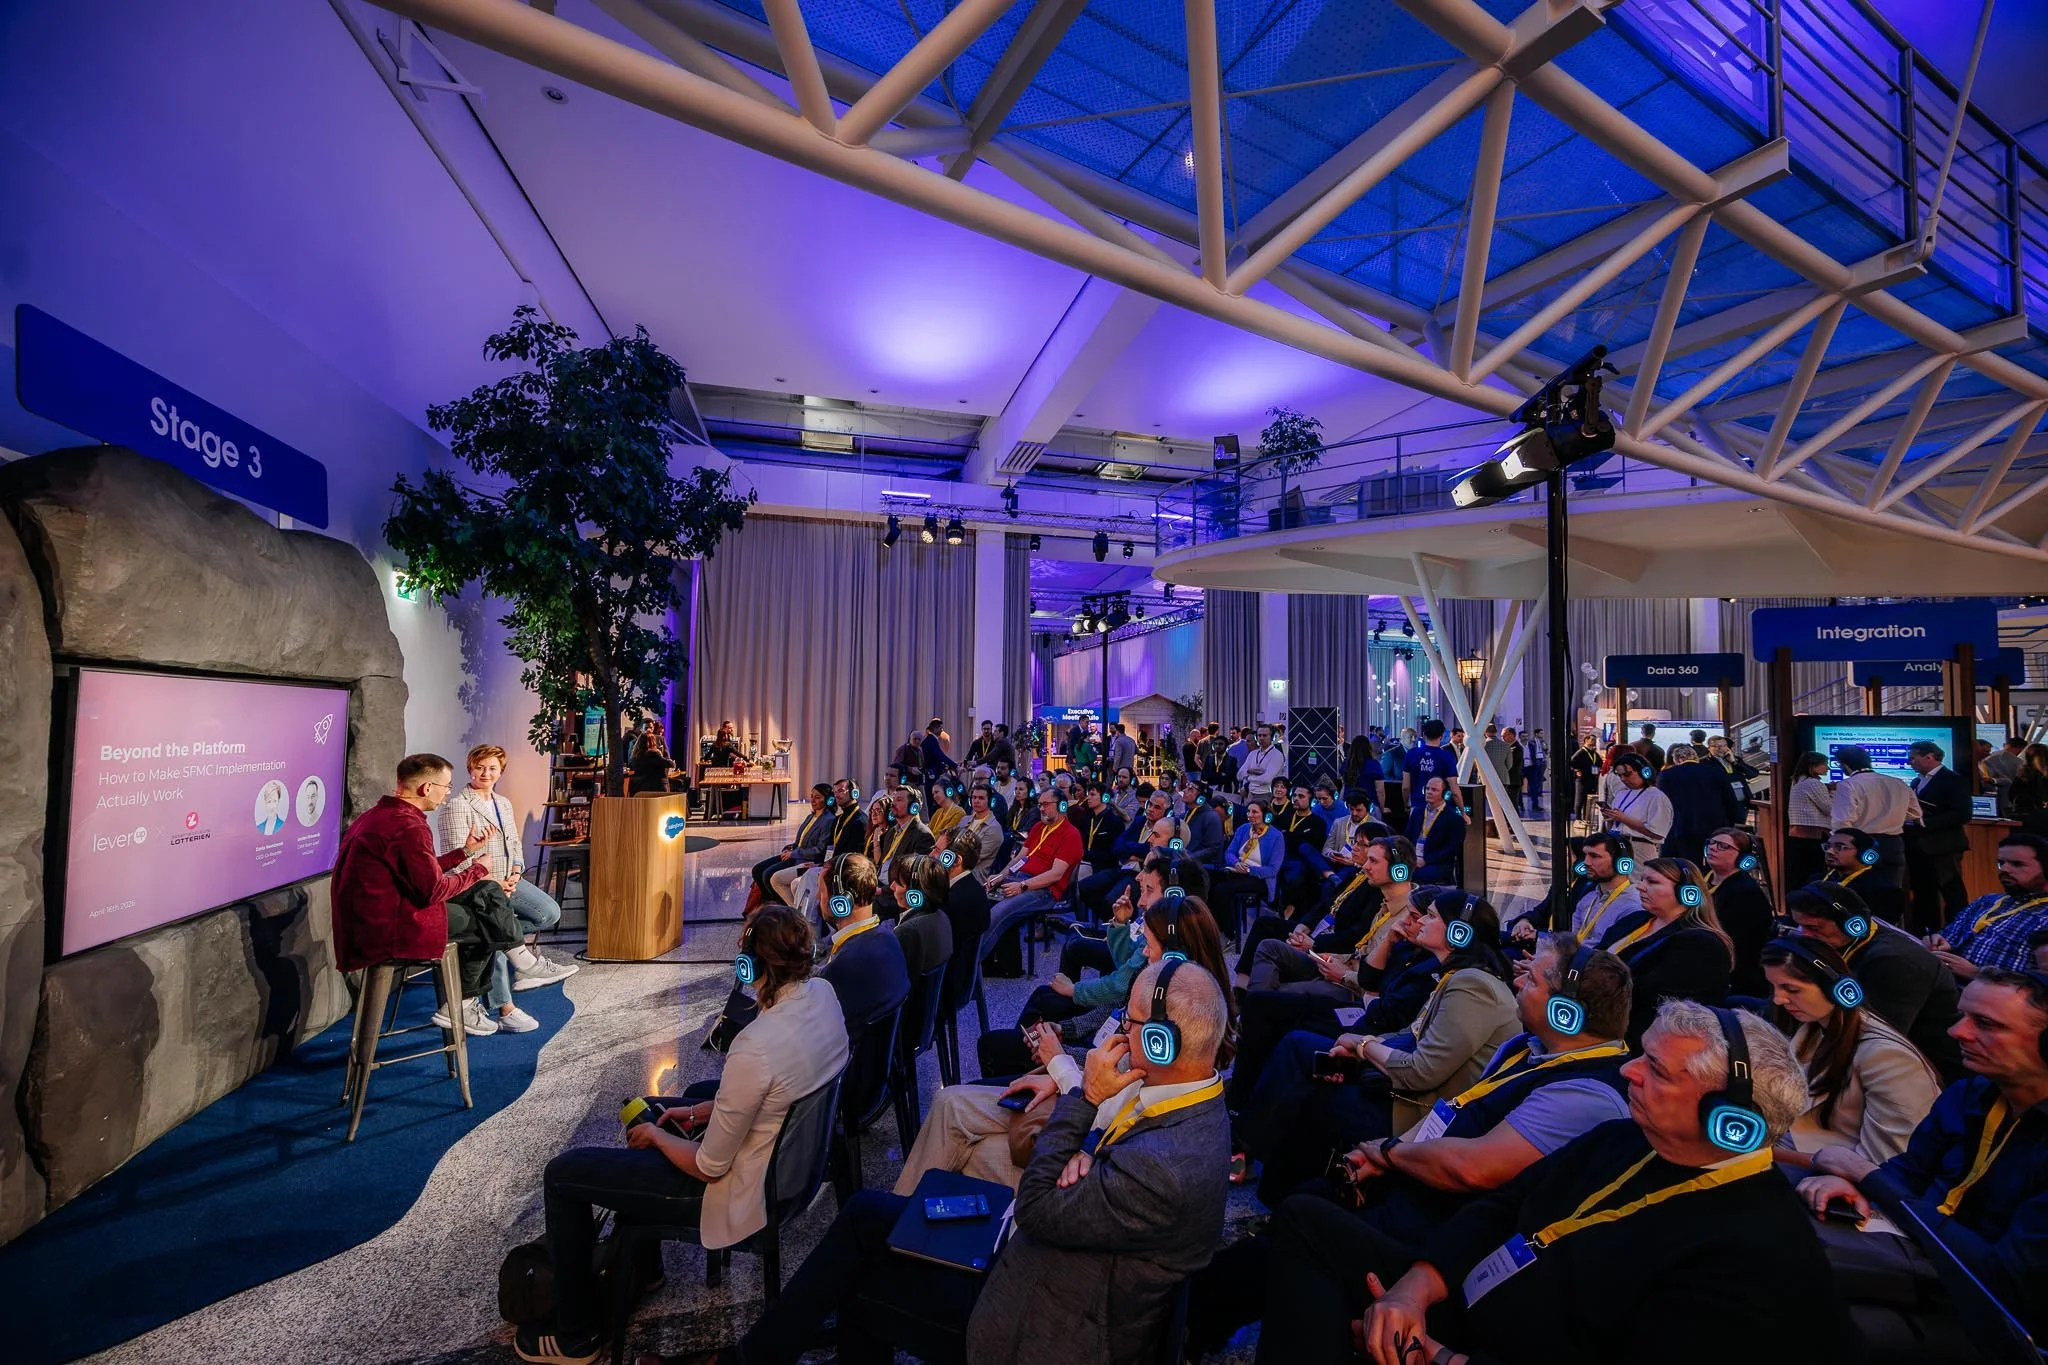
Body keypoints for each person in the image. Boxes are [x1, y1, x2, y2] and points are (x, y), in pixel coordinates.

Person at [659, 960, 1234, 1365]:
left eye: (1130, 1024)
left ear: (1161, 1043)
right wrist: (1080, 1155)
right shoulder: (1188, 1096)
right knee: (864, 1215)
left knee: (861, 1284)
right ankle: (751, 1358)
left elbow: (1037, 1205)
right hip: (1046, 1251)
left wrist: (1083, 1100)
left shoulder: (1164, 1168)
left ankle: (749, 1360)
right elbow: (1079, 1173)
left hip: (1037, 1314)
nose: (1120, 1035)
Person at [1351, 1000, 1853, 1365]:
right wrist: (1412, 1291)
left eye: (1655, 1069)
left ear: (1728, 1122)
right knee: (1314, 1226)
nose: (1628, 1070)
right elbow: (1502, 1207)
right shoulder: (1622, 1136)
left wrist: (1442, 1359)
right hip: (1455, 1304)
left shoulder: (1756, 1257)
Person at [1215, 934, 1633, 1362]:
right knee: (1307, 1205)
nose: (1519, 979)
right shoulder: (1527, 1049)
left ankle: (1195, 1316)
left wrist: (1390, 1154)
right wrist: (1387, 1154)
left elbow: (1473, 1169)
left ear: (1565, 1013)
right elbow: (1457, 1111)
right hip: (1419, 1185)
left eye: (1535, 980)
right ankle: (1200, 1313)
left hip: (1449, 1234)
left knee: (1304, 1222)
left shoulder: (1586, 1096)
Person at [521, 907, 848, 1365]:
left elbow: (709, 1166)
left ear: (751, 966)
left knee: (563, 1173)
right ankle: (645, 1266)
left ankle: (576, 1336)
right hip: (792, 1171)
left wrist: (658, 1139)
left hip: (741, 1190)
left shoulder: (756, 1043)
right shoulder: (825, 995)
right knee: (656, 1108)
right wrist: (698, 1111)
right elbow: (781, 1093)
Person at [1794, 968, 2048, 1343]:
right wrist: (1852, 1182)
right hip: (1923, 1262)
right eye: (1962, 1016)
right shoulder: (1970, 1094)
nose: (1957, 1032)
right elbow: (1909, 1173)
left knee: (1810, 1319)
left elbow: (2004, 1282)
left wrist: (1868, 1177)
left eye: (1985, 1024)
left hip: (1993, 1319)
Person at [1237, 893, 1520, 1203]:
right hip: (1404, 1089)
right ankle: (1255, 1161)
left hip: (1417, 1115)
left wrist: (1363, 1045)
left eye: (1431, 916)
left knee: (1311, 1094)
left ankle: (1264, 1178)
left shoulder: (1472, 987)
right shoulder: (1456, 977)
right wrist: (1358, 1049)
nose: (1421, 921)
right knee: (1301, 1047)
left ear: (1459, 934)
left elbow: (1421, 1072)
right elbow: (1409, 1033)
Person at [333, 753, 500, 1037]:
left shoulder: (379, 815)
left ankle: (518, 959)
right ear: (427, 788)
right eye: (446, 787)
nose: (447, 794)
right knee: (487, 918)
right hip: (388, 929)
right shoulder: (409, 825)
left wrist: (466, 852)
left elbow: (418, 871)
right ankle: (464, 1003)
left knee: (487, 896)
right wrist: (479, 869)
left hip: (367, 922)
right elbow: (432, 890)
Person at [1761, 937, 1940, 1168]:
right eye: (1774, 987)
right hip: (1802, 1151)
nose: (1778, 999)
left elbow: (1886, 1162)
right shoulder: (1816, 1029)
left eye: (1792, 989)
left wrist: (1765, 1153)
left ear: (1837, 989)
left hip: (1839, 1175)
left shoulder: (1886, 1057)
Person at [437, 744, 576, 1033]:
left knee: (547, 913)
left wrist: (515, 872)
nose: (485, 773)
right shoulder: (458, 805)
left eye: (492, 768)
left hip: (509, 879)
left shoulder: (503, 803)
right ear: (470, 769)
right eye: (480, 767)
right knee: (493, 929)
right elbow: (457, 857)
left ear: (501, 771)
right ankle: (506, 1008)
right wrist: (493, 882)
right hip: (479, 886)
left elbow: (514, 843)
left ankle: (513, 952)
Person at [1787, 882, 1965, 1085]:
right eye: (1800, 926)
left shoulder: (1895, 962)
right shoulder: (1851, 943)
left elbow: (1874, 1038)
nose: (1803, 936)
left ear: (1853, 925)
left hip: (1928, 1075)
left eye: (1813, 928)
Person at [1596, 857, 1733, 1046]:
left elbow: (1650, 999)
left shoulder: (1701, 944)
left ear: (1686, 892)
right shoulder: (1635, 919)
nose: (1640, 887)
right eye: (1642, 880)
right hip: (1603, 1024)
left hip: (1643, 1041)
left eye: (1652, 882)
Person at [980, 787, 1084, 964]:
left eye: (1046, 804)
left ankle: (971, 964)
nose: (1041, 809)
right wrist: (1000, 876)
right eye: (1039, 804)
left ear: (1061, 806)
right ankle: (993, 963)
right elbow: (1019, 858)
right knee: (979, 902)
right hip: (1020, 879)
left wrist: (1022, 886)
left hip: (1044, 890)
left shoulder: (1071, 834)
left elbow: (1055, 875)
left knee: (998, 913)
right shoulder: (1038, 827)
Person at [1927, 830, 2048, 979]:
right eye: (2001, 863)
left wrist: (1976, 974)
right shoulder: (1988, 901)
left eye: (2017, 864)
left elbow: (2041, 983)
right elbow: (1948, 937)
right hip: (1942, 979)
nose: (2004, 869)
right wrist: (1937, 941)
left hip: (1993, 991)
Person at [816, 855, 911, 1031]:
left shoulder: (842, 966)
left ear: (841, 902)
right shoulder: (890, 939)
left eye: (821, 892)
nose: (817, 897)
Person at [1904, 739, 1973, 929]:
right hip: (1918, 846)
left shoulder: (1954, 780)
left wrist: (1925, 822)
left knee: (1951, 890)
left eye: (1913, 758)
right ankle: (1926, 931)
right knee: (1923, 891)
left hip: (1944, 846)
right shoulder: (1917, 781)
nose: (1910, 762)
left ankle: (1958, 930)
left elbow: (1962, 814)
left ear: (1930, 756)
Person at [1830, 744, 1919, 887]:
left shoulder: (1848, 785)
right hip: (1894, 844)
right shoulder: (1898, 782)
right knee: (1893, 891)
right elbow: (1915, 813)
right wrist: (1891, 817)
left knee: (1863, 891)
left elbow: (1842, 822)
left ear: (1845, 765)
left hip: (1863, 844)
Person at [1701, 826, 1773, 998]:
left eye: (1723, 846)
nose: (1712, 848)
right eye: (1712, 843)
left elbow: (1744, 944)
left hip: (1734, 974)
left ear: (1742, 858)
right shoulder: (1702, 878)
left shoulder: (1745, 892)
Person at [749, 782, 835, 912]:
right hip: (795, 853)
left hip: (804, 859)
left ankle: (782, 908)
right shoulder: (811, 816)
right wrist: (789, 848)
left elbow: (819, 850)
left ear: (828, 800)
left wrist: (793, 853)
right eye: (812, 796)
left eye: (817, 797)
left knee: (767, 875)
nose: (813, 800)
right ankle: (771, 904)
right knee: (757, 869)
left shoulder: (828, 820)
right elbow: (800, 841)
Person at [1653, 743, 1740, 866]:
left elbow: (1663, 805)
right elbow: (1730, 800)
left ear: (1677, 759)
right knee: (1712, 863)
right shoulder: (1716, 772)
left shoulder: (1667, 775)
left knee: (1682, 866)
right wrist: (1730, 824)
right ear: (1696, 757)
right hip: (1714, 826)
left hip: (1681, 827)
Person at [1814, 825, 1909, 926]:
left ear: (1864, 853)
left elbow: (1877, 930)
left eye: (1839, 847)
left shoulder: (1884, 891)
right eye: (1828, 846)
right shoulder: (1816, 880)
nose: (1829, 851)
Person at [1216, 798, 1284, 932]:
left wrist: (1248, 870)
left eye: (1254, 812)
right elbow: (1229, 852)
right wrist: (1236, 863)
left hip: (1259, 878)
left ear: (1265, 815)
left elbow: (1272, 870)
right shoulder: (1243, 828)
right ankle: (1214, 924)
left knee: (1222, 889)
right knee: (1211, 878)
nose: (1250, 815)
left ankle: (1229, 931)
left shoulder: (1276, 836)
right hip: (1236, 870)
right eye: (1248, 811)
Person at [1599, 752, 1672, 868]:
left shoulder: (1656, 797)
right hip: (1617, 846)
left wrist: (1624, 819)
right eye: (1620, 776)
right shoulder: (1622, 794)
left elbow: (1658, 833)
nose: (1623, 779)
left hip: (1640, 849)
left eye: (1627, 774)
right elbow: (1616, 825)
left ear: (1644, 772)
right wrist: (1610, 817)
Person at [889, 854, 954, 982]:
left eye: (898, 883)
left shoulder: (908, 932)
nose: (892, 887)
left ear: (914, 893)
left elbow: (894, 981)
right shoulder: (942, 917)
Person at [1785, 749, 1835, 889]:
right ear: (1813, 766)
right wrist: (1833, 793)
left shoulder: (1797, 780)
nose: (1828, 768)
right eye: (1825, 764)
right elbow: (1828, 808)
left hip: (1797, 834)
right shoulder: (1814, 783)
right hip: (1813, 836)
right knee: (1814, 873)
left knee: (1799, 873)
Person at [1404, 775, 1466, 885]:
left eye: (1434, 790)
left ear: (1444, 794)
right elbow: (1407, 838)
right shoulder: (1417, 812)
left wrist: (1426, 860)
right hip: (1414, 859)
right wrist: (1410, 858)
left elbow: (1452, 849)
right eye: (1427, 789)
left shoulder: (1453, 818)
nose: (1429, 792)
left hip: (1437, 863)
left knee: (1415, 875)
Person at [1403, 718, 1457, 810]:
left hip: (1417, 806)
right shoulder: (1447, 756)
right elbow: (1454, 789)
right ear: (1441, 736)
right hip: (1440, 807)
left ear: (1424, 735)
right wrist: (1462, 812)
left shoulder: (1411, 754)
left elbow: (1405, 787)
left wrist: (1406, 804)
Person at [1239, 723, 1285, 800]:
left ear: (1272, 737)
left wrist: (1248, 778)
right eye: (1259, 735)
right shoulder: (1253, 754)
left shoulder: (1277, 755)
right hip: (1250, 793)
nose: (1261, 738)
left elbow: (1266, 779)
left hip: (1266, 794)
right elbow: (1239, 775)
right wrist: (1249, 771)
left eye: (1264, 735)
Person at [1569, 732, 1602, 828]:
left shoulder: (1594, 753)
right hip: (1582, 780)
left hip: (1592, 779)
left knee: (1589, 800)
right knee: (1580, 799)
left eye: (1595, 740)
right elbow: (1572, 761)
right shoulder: (1581, 752)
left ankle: (1586, 818)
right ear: (1586, 740)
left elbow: (1599, 763)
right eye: (1592, 740)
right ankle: (1578, 819)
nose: (1594, 742)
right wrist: (1576, 770)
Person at [920, 716, 957, 783]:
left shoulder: (930, 740)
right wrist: (955, 766)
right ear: (934, 729)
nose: (942, 730)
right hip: (932, 773)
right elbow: (940, 756)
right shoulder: (932, 741)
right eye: (940, 728)